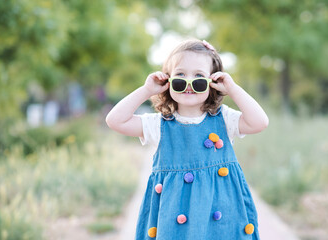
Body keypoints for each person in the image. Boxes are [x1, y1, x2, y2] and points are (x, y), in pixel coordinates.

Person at [106, 39, 269, 239]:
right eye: (180, 76)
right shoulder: (159, 125)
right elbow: (115, 120)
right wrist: (147, 90)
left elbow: (260, 122)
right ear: (167, 81)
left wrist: (233, 89)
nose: (189, 84)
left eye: (199, 77)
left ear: (213, 82)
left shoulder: (224, 119)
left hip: (220, 215)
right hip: (175, 219)